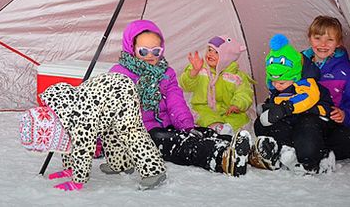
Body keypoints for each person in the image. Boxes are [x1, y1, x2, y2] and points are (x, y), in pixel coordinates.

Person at [109, 19, 279, 176]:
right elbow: (109, 111)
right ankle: (222, 158)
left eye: (156, 50)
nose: (150, 55)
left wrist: (187, 126)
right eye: (143, 50)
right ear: (131, 47)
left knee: (202, 133)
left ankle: (251, 153)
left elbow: (176, 102)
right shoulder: (120, 75)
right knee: (180, 145)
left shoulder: (165, 72)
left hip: (169, 123)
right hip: (142, 133)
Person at [19, 72, 167, 191]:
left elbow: (83, 149)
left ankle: (154, 171)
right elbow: (66, 141)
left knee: (129, 131)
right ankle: (120, 164)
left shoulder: (80, 120)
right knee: (109, 131)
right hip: (103, 99)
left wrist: (77, 181)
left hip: (122, 92)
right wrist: (70, 168)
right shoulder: (59, 112)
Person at [254, 33, 335, 173]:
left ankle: (314, 158)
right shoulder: (279, 89)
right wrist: (268, 109)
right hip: (290, 124)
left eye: (281, 82)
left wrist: (285, 109)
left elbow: (305, 98)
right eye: (273, 82)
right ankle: (281, 150)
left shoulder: (307, 85)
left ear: (295, 77)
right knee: (262, 124)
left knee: (307, 140)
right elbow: (276, 102)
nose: (277, 86)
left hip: (310, 119)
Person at [301, 15, 350, 162]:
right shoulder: (297, 65)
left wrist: (345, 115)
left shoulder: (349, 71)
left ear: (338, 43)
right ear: (309, 38)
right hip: (303, 120)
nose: (323, 44)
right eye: (318, 38)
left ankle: (314, 155)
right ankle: (295, 151)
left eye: (330, 40)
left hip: (332, 125)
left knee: (348, 141)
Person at [179, 35, 254, 134]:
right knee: (206, 117)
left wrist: (237, 105)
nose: (210, 54)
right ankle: (217, 129)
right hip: (203, 107)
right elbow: (186, 86)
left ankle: (232, 133)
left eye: (216, 52)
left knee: (239, 120)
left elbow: (244, 93)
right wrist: (194, 72)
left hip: (228, 109)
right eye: (209, 50)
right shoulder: (200, 69)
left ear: (227, 57)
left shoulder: (236, 77)